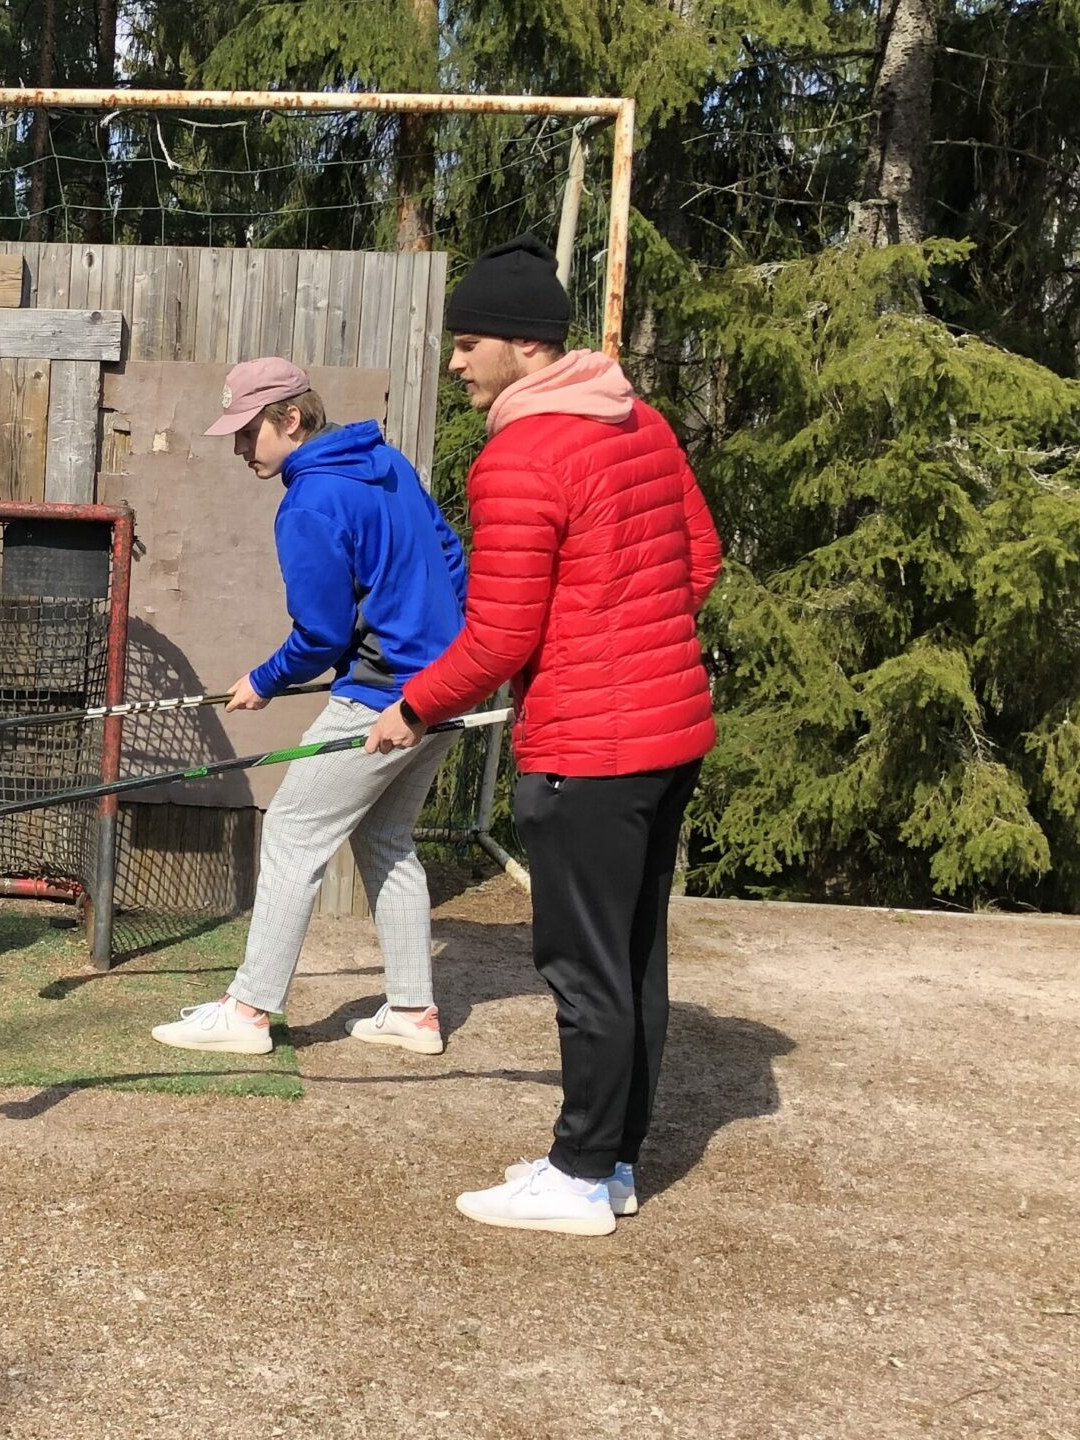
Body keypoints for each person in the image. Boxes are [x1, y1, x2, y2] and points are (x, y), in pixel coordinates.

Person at [366, 233, 722, 1237]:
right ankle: (613, 1164)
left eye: (466, 342)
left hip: (590, 749)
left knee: (581, 966)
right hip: (667, 736)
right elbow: (700, 559)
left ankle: (576, 1175)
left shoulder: (520, 455)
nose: (453, 363)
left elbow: (499, 636)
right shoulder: (639, 419)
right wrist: (630, 647)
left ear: (525, 346)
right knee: (632, 957)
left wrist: (411, 708)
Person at [150, 358, 470, 1058]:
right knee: (386, 839)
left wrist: (265, 679)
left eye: (248, 432)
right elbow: (452, 558)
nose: (240, 448)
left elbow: (321, 636)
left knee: (294, 831)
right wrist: (450, 657)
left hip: (385, 698)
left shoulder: (309, 502)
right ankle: (413, 1011)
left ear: (291, 419)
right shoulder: (388, 463)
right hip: (448, 689)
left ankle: (248, 1010)